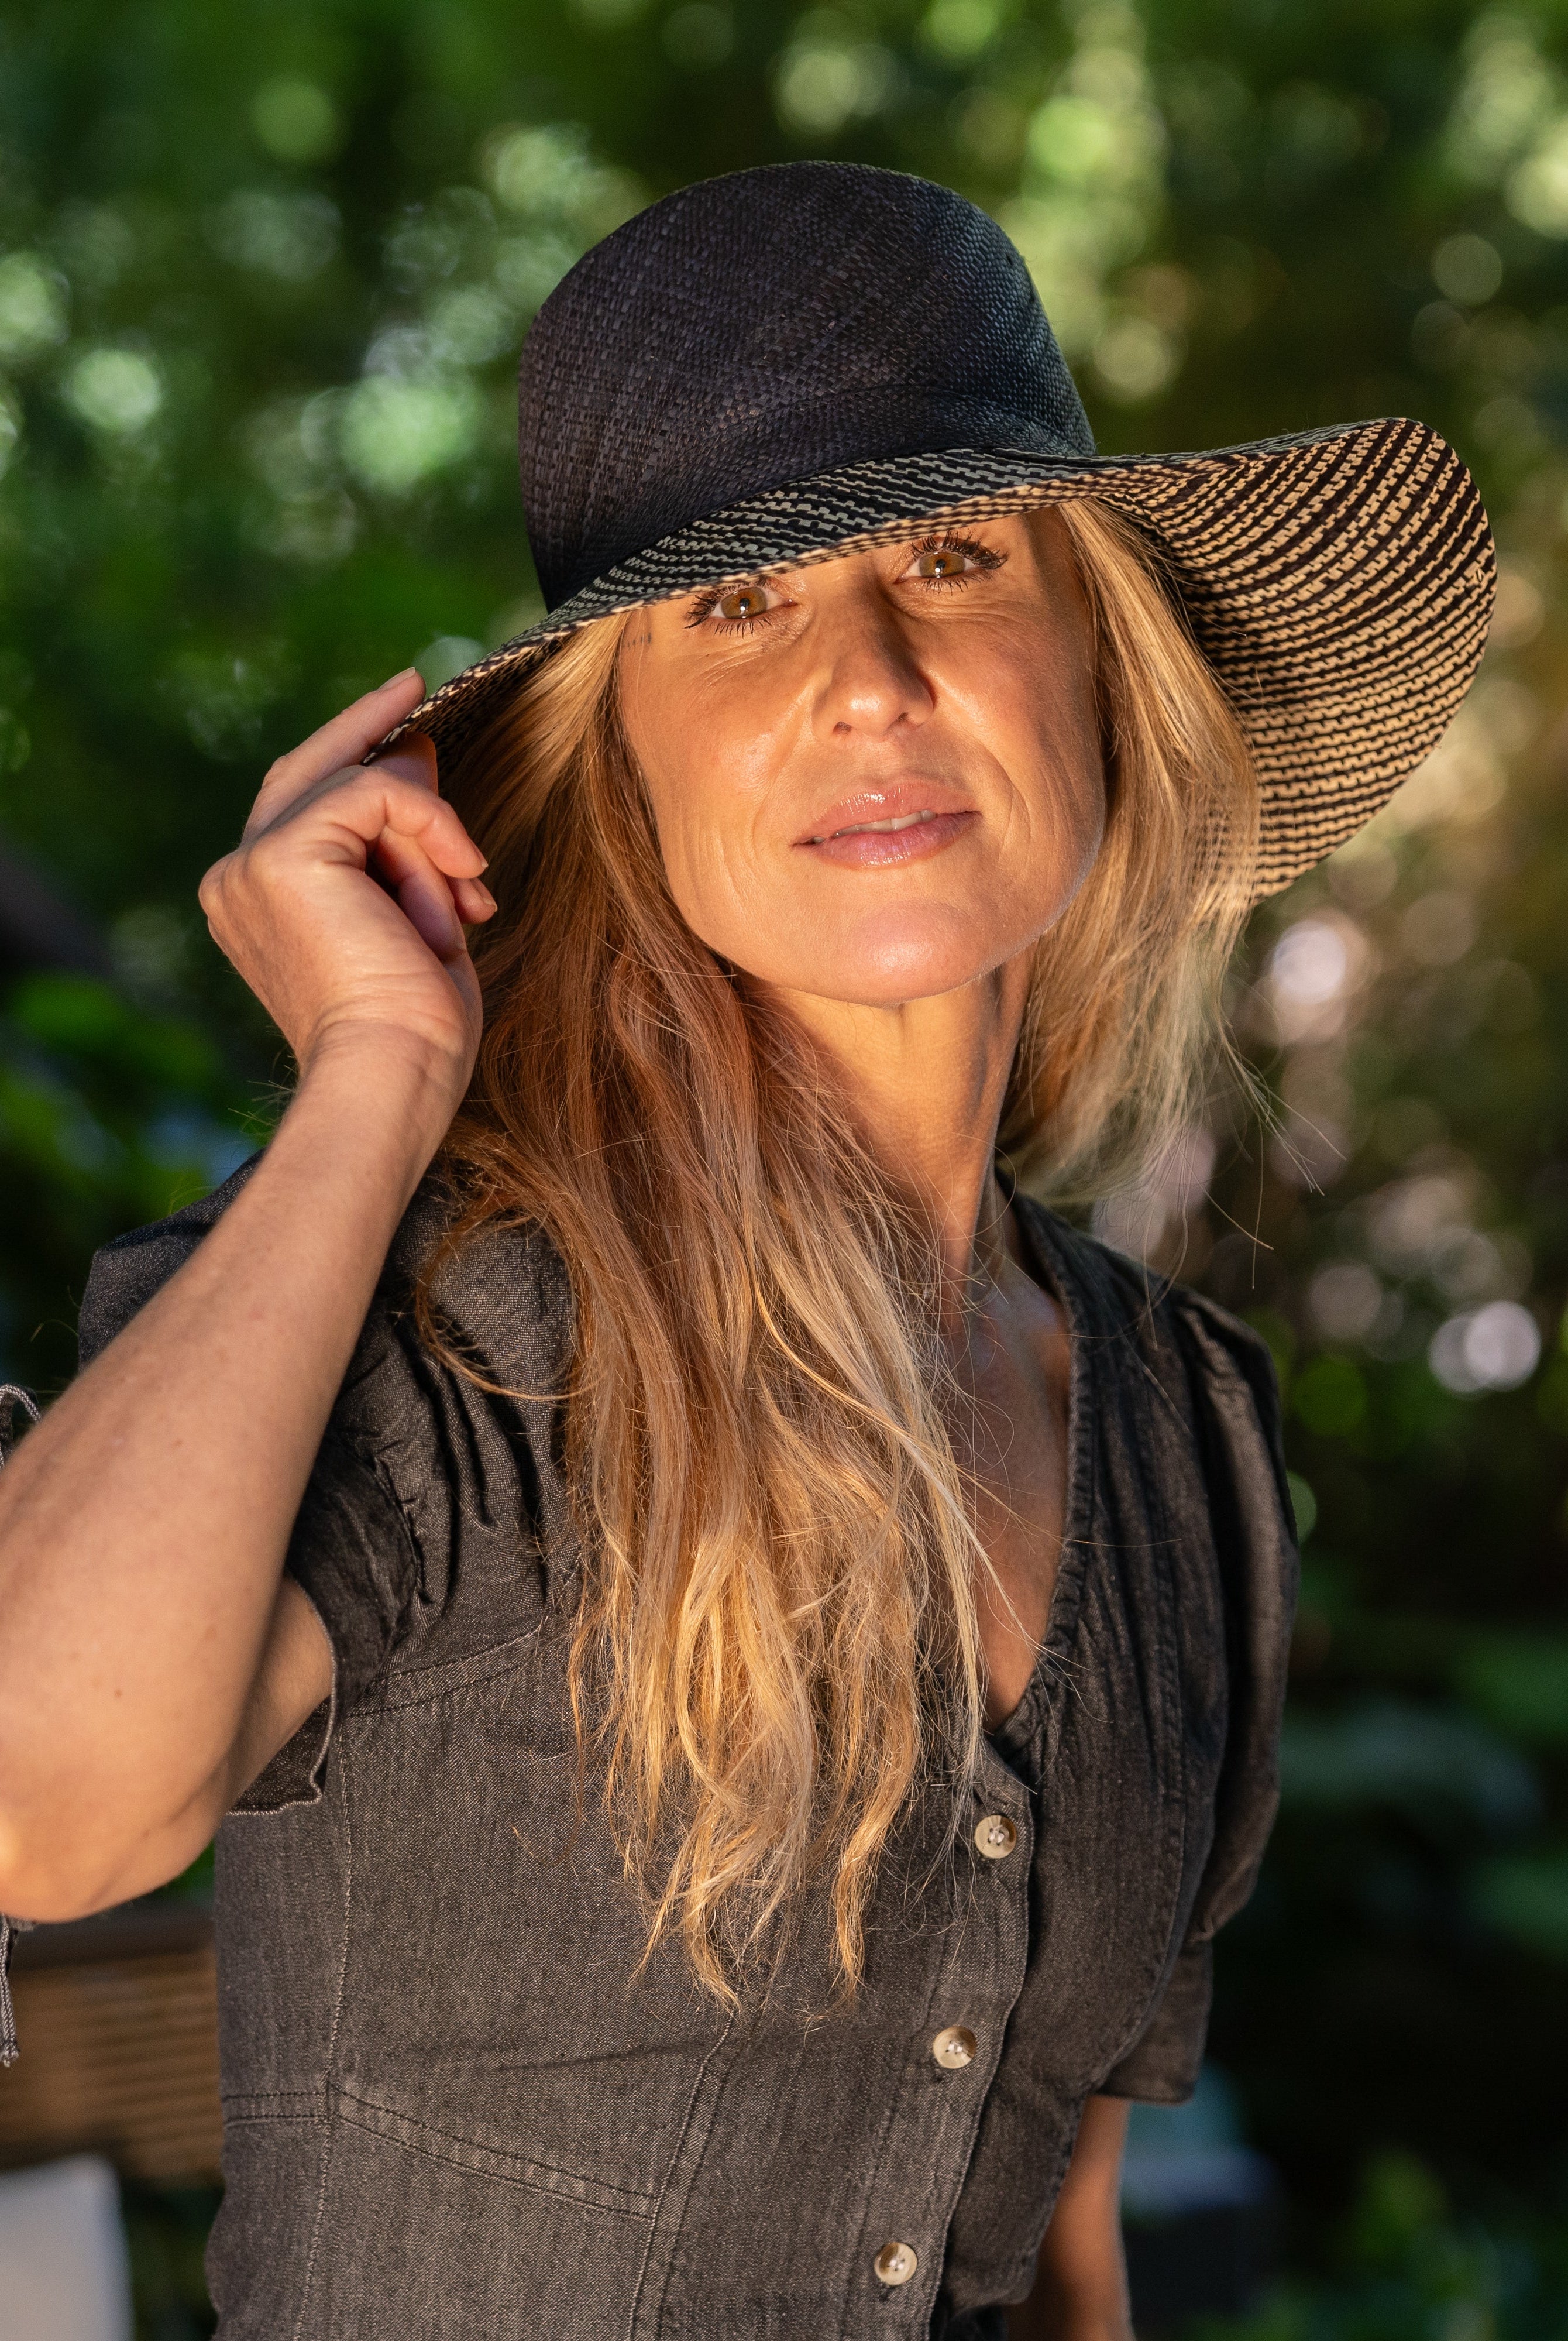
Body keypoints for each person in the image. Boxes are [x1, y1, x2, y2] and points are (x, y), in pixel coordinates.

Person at [0, 164, 1490, 2340]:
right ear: (620, 756)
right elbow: (35, 1819)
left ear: (1098, 660)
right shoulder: (451, 1332)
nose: (871, 677)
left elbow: (1075, 2245)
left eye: (954, 559)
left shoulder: (1190, 1443)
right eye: (737, 608)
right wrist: (371, 1078)